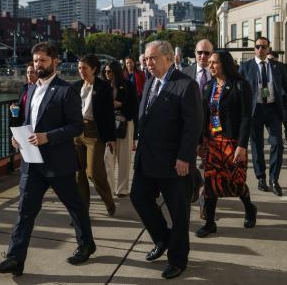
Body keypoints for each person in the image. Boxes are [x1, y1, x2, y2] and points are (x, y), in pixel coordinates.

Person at [0, 42, 96, 276]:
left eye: (43, 60)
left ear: (55, 62)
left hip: (58, 162)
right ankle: (15, 259)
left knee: (75, 207)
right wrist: (18, 138)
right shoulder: (31, 89)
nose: (38, 65)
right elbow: (27, 121)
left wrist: (49, 137)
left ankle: (86, 244)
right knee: (25, 211)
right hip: (31, 161)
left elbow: (76, 127)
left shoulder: (67, 91)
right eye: (36, 61)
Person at [130, 40, 202, 279]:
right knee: (138, 197)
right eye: (146, 59)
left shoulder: (186, 85)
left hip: (174, 163)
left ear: (169, 59)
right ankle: (163, 238)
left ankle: (178, 259)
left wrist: (185, 158)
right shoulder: (150, 82)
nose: (148, 63)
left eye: (153, 58)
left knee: (178, 213)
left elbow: (193, 127)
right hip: (147, 159)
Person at [196, 50, 257, 238]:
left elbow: (247, 118)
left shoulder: (241, 85)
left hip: (232, 142)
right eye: (210, 62)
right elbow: (203, 117)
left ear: (225, 64)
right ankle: (210, 223)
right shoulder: (208, 86)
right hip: (212, 142)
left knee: (236, 181)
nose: (211, 65)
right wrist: (200, 142)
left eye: (215, 62)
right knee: (211, 182)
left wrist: (242, 145)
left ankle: (249, 208)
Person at [239, 36, 287, 196]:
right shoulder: (245, 67)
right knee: (257, 146)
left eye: (263, 47)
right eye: (257, 47)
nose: (260, 49)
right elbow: (237, 88)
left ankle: (274, 179)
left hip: (272, 110)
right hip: (254, 111)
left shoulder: (278, 67)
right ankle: (261, 177)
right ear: (254, 49)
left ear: (268, 49)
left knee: (277, 144)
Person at [72, 54, 117, 216]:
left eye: (84, 68)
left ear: (94, 69)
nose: (81, 71)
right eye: (79, 68)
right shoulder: (75, 86)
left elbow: (108, 115)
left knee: (93, 172)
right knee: (79, 175)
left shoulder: (103, 87)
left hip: (94, 133)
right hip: (77, 132)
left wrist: (111, 138)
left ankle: (109, 202)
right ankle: (82, 211)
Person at [104, 60, 138, 197]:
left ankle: (122, 189)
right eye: (105, 71)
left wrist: (119, 104)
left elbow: (134, 108)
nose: (107, 74)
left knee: (124, 159)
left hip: (125, 124)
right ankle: (109, 188)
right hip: (108, 126)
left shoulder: (128, 85)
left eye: (109, 71)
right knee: (107, 158)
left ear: (116, 72)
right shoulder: (104, 86)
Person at [184, 39, 214, 170]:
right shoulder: (185, 73)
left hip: (213, 120)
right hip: (190, 120)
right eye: (200, 52)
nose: (203, 56)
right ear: (195, 53)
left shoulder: (218, 72)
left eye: (207, 53)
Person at [267, 51, 287, 146]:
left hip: (285, 98)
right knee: (274, 120)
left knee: (286, 120)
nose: (269, 61)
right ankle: (275, 139)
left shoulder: (285, 67)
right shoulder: (265, 68)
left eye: (271, 59)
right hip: (273, 100)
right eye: (268, 59)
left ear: (277, 58)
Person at [10, 62, 38, 127]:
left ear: (37, 74)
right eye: (28, 72)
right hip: (22, 122)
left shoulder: (40, 88)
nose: (29, 75)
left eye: (32, 72)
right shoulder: (24, 88)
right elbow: (21, 104)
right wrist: (14, 106)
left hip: (34, 122)